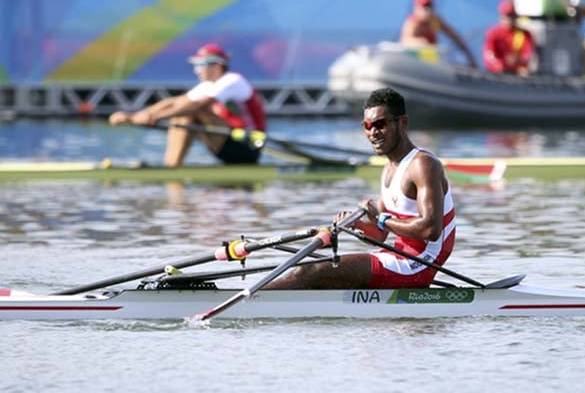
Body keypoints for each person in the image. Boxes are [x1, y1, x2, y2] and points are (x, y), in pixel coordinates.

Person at [266, 87, 455, 289]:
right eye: (367, 125)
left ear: (402, 123)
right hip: (399, 256)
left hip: (421, 262)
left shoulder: (422, 165)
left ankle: (250, 304)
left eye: (380, 124)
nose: (373, 132)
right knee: (319, 273)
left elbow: (430, 229)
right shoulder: (389, 168)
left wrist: (381, 218)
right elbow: (380, 234)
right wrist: (357, 225)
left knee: (308, 271)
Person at [109, 43, 266, 167]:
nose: (196, 70)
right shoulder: (209, 85)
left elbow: (195, 105)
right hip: (228, 143)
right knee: (181, 110)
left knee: (189, 111)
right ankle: (171, 167)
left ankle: (171, 169)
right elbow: (174, 102)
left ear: (217, 65)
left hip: (249, 146)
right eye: (195, 64)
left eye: (200, 64)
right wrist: (136, 116)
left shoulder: (233, 80)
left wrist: (151, 117)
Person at [400, 0, 478, 68]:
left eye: (430, 7)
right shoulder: (413, 23)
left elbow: (455, 38)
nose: (427, 11)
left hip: (434, 64)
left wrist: (470, 57)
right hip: (415, 62)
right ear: (416, 8)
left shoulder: (434, 21)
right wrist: (422, 44)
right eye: (424, 7)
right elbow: (405, 42)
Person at [483, 0, 535, 76]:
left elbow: (528, 55)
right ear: (501, 16)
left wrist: (518, 61)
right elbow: (488, 55)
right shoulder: (493, 33)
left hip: (518, 75)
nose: (509, 19)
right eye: (506, 16)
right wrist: (500, 66)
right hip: (497, 75)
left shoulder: (524, 34)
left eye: (512, 15)